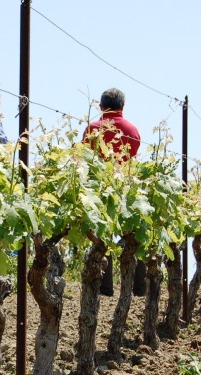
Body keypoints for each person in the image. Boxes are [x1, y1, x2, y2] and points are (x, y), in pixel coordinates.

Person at [82, 88, 142, 296]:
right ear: (123, 107)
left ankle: (105, 288)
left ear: (100, 106)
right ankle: (139, 287)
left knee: (102, 235)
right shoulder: (132, 130)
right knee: (134, 233)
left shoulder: (93, 128)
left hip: (99, 186)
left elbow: (86, 157)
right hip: (126, 185)